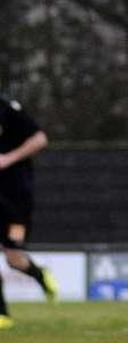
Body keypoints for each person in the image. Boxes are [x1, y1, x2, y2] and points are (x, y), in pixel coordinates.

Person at [0, 95, 58, 330]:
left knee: (14, 258)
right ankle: (2, 314)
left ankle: (39, 275)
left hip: (14, 197)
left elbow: (40, 138)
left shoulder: (7, 109)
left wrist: (7, 159)